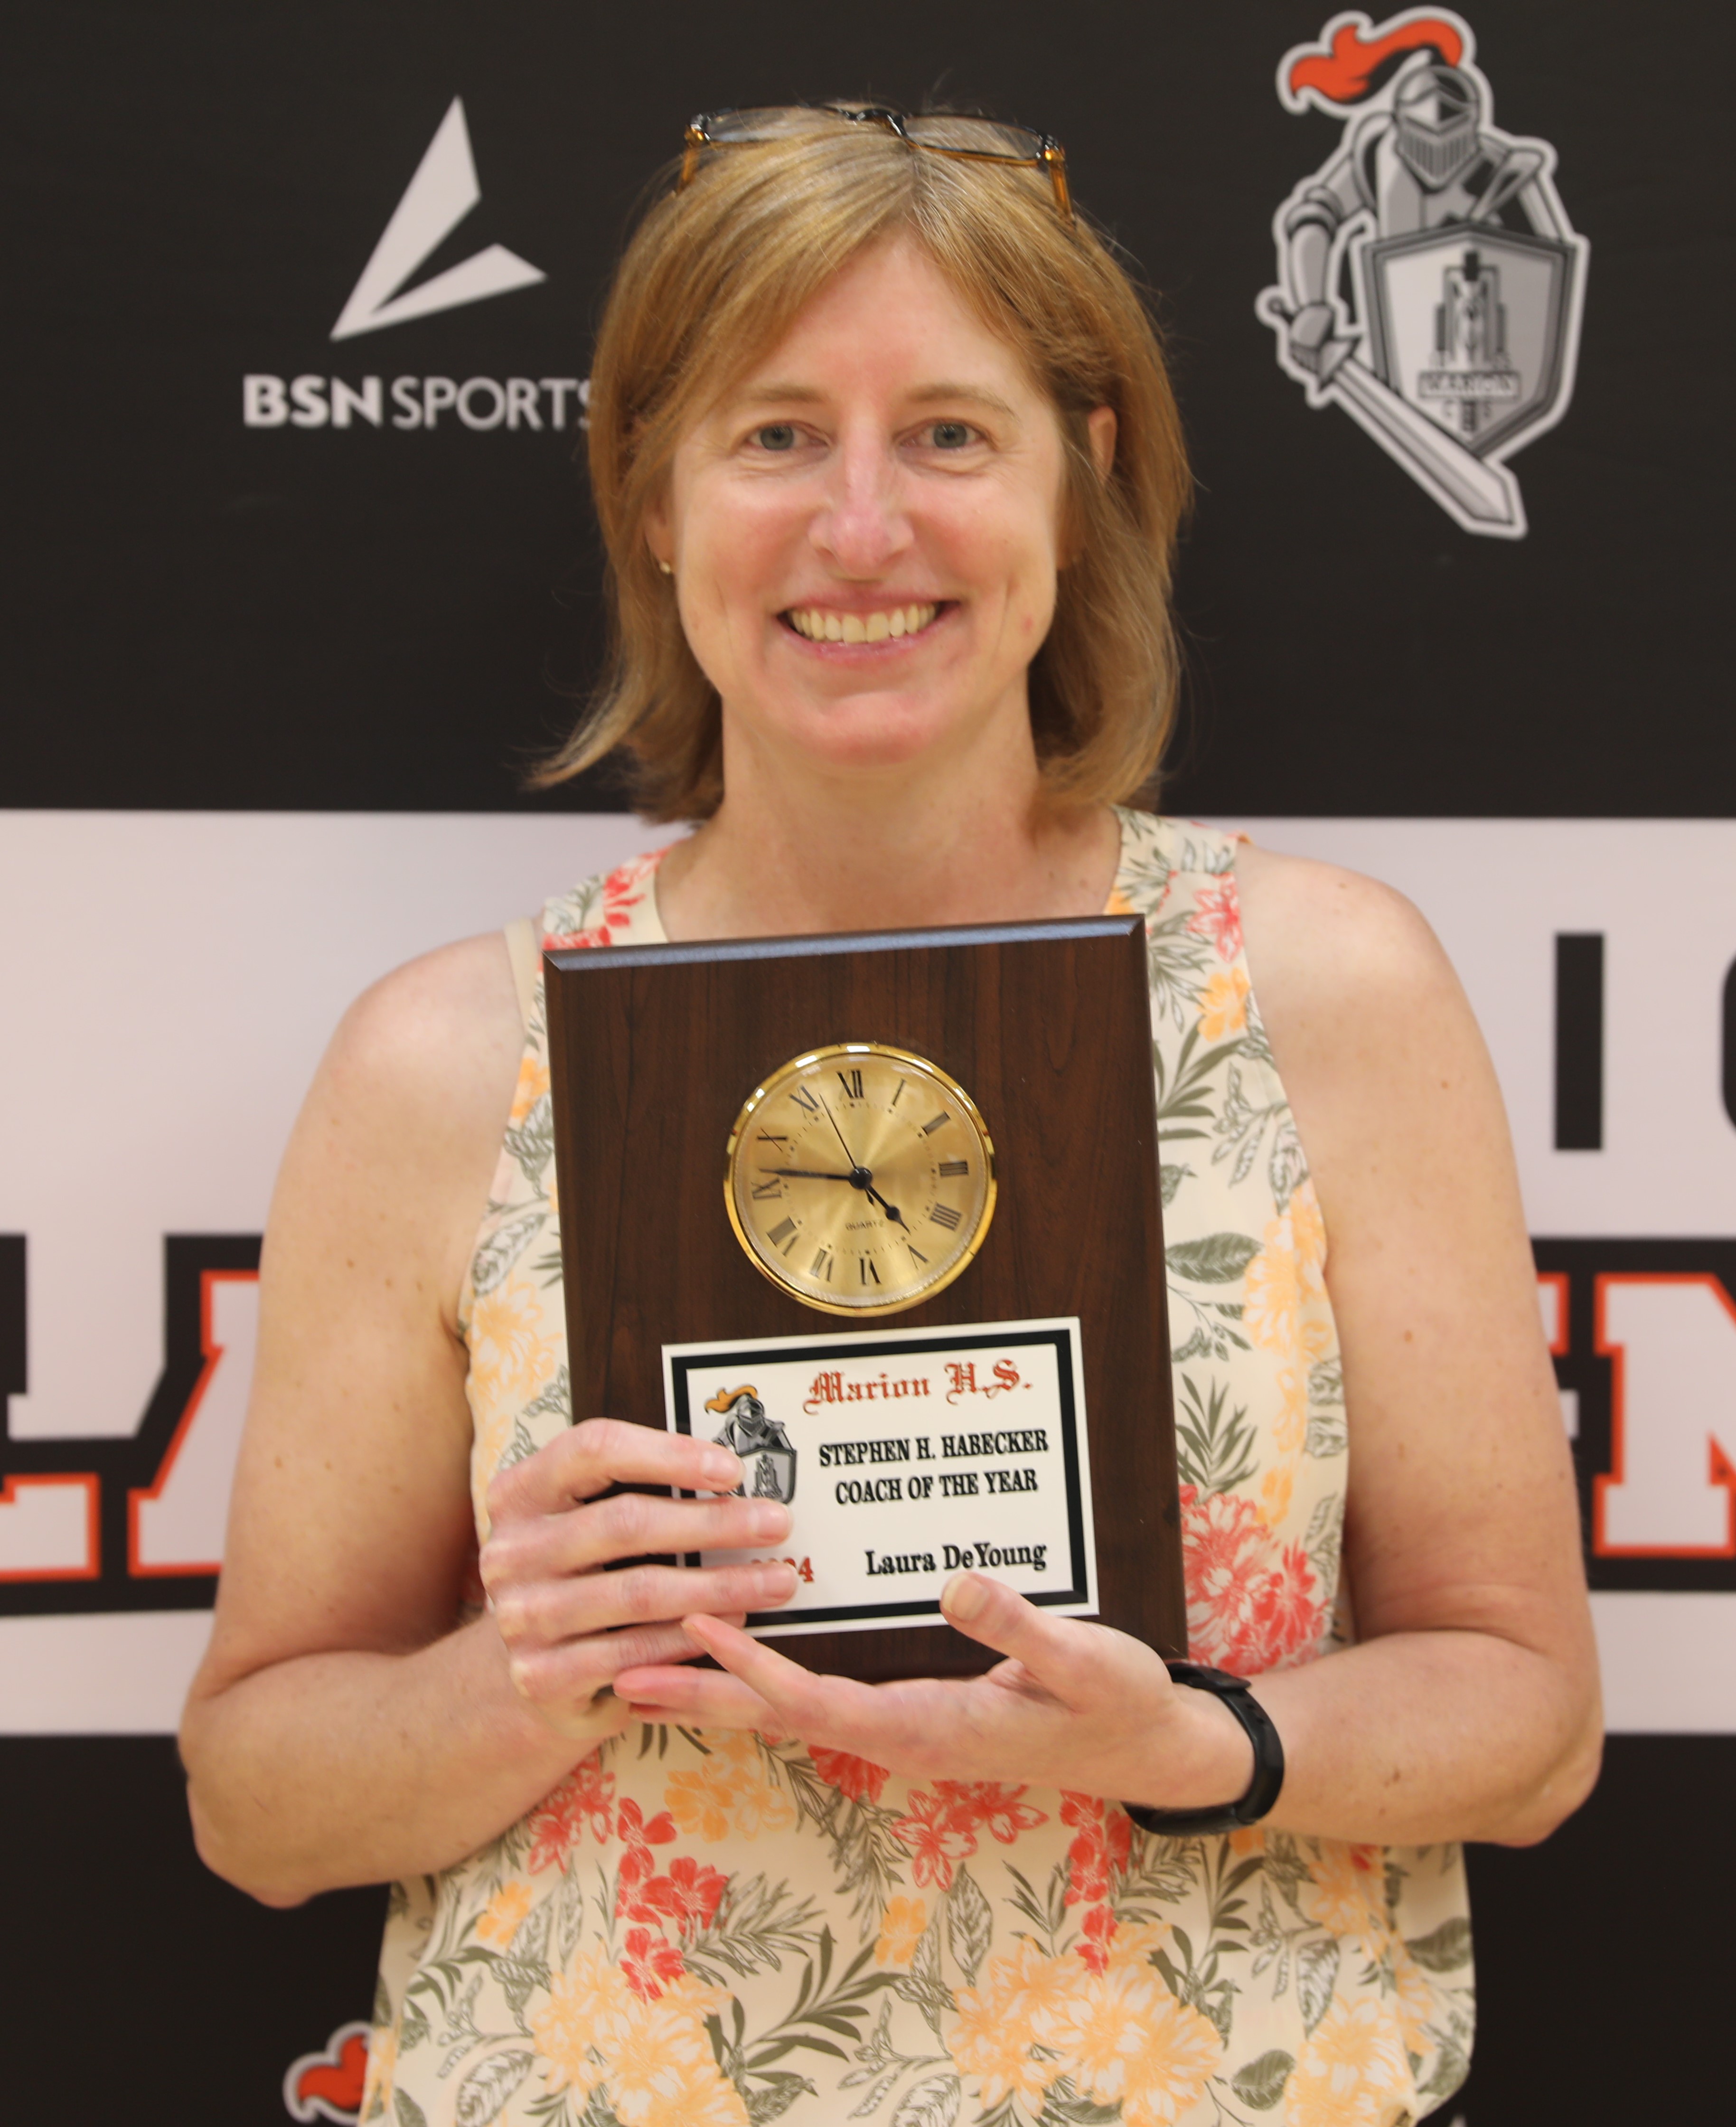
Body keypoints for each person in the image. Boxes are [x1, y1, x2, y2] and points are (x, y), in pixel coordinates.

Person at [180, 104, 1599, 2127]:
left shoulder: (1321, 990)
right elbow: (255, 1804)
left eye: (947, 433)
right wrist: (535, 1665)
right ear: (654, 499)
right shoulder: (447, 1059)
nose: (862, 527)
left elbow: (1529, 1724)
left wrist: (1198, 1747)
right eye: (775, 436)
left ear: (1077, 481)